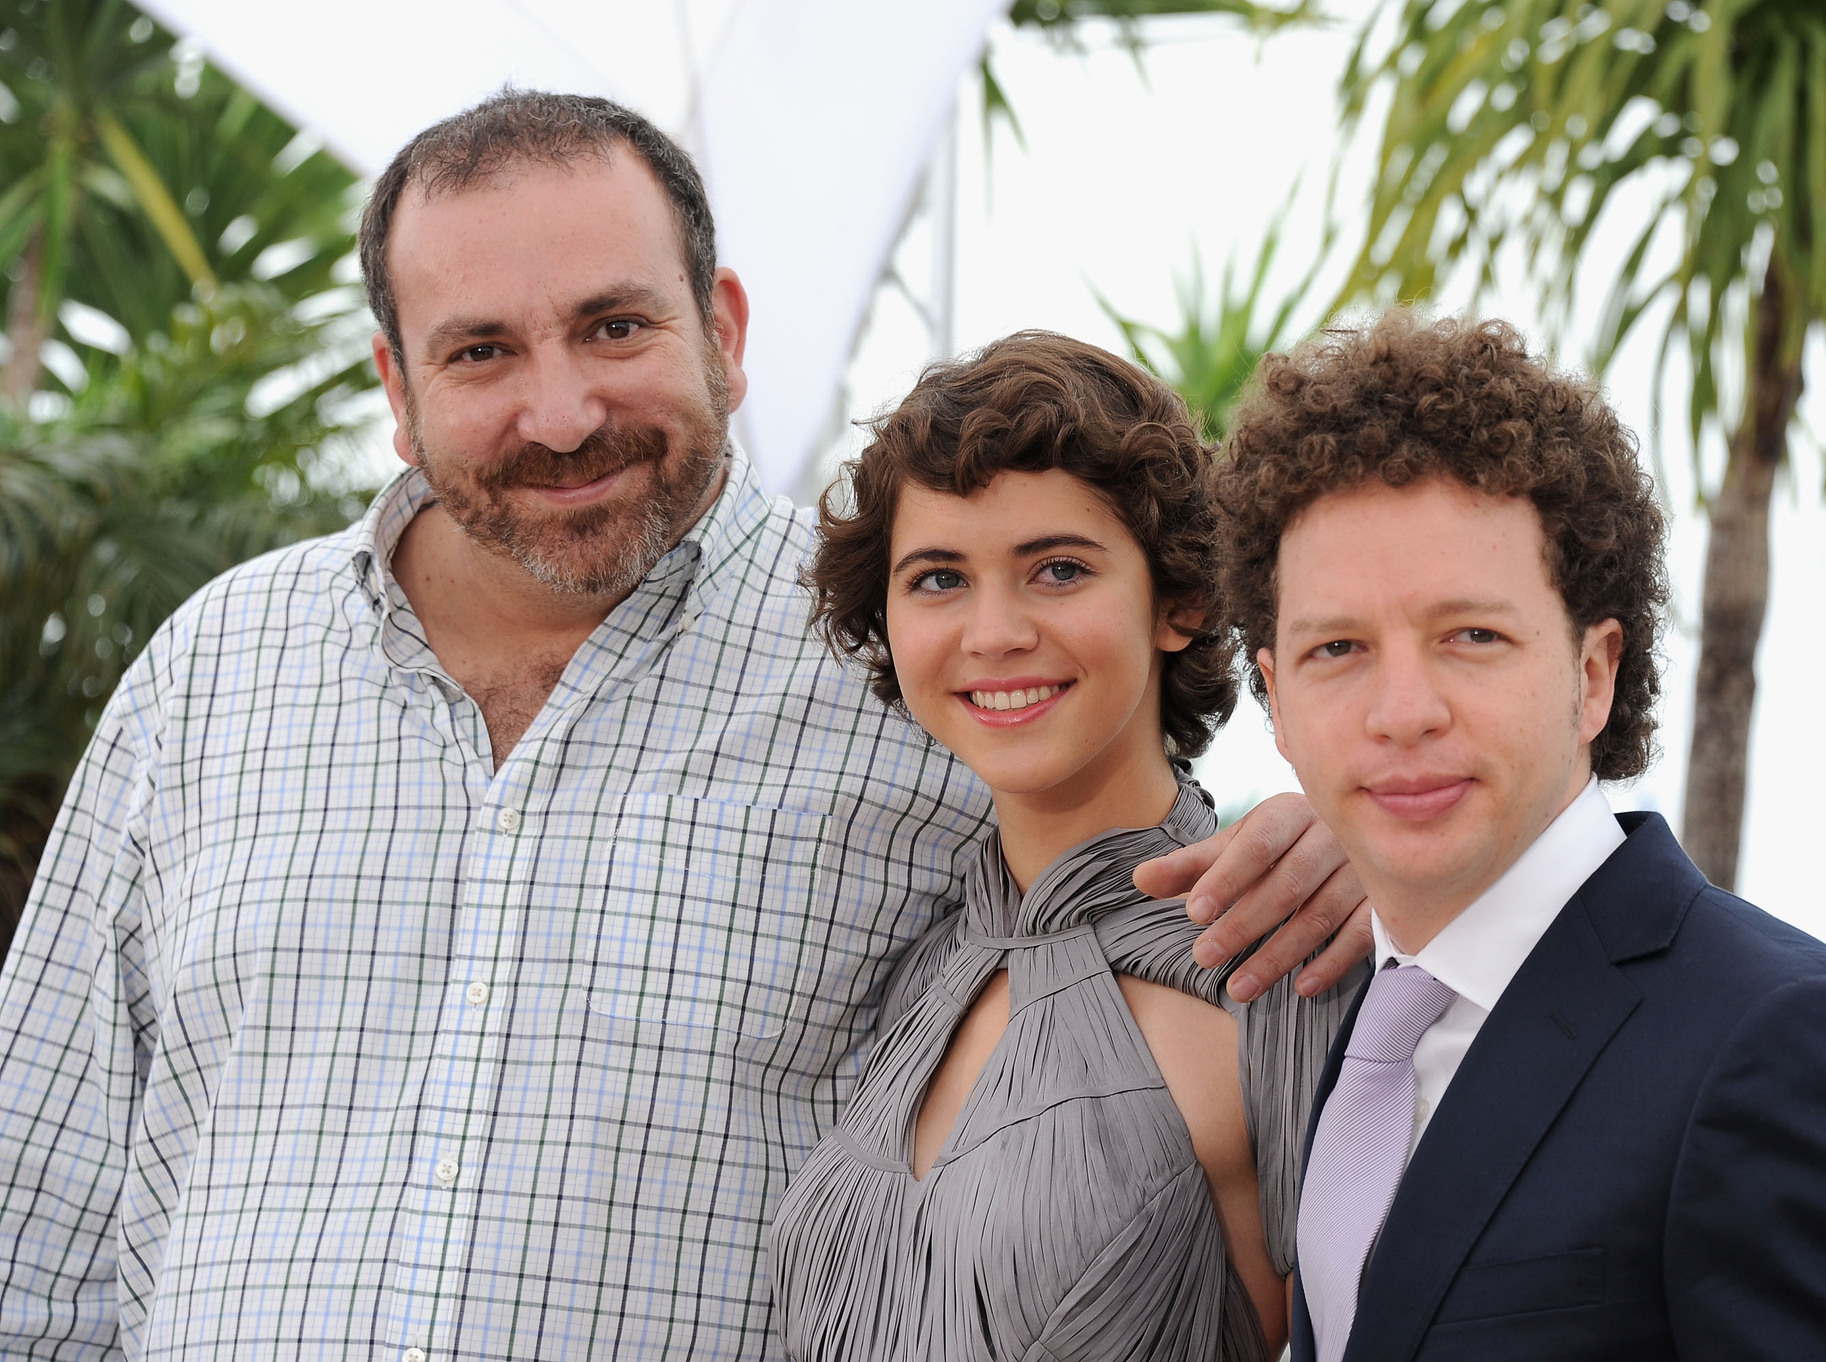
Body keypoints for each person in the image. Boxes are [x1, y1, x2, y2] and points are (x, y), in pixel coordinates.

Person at [0, 93, 1374, 1360]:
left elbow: (1134, 871)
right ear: (397, 388)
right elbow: (35, 1202)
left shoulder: (900, 658)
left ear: (722, 327)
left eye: (615, 326)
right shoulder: (213, 672)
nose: (563, 411)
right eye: (481, 351)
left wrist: (1347, 845)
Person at [1211, 310, 1826, 1361]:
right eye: (1335, 649)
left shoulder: (1785, 1050)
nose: (1399, 709)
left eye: (1470, 637)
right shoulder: (1359, 1031)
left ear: (1591, 676)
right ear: (1274, 699)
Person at [771, 332, 1347, 1361]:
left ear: (1181, 600)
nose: (991, 633)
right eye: (938, 579)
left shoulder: (1288, 963)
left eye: (1057, 570)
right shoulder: (913, 971)